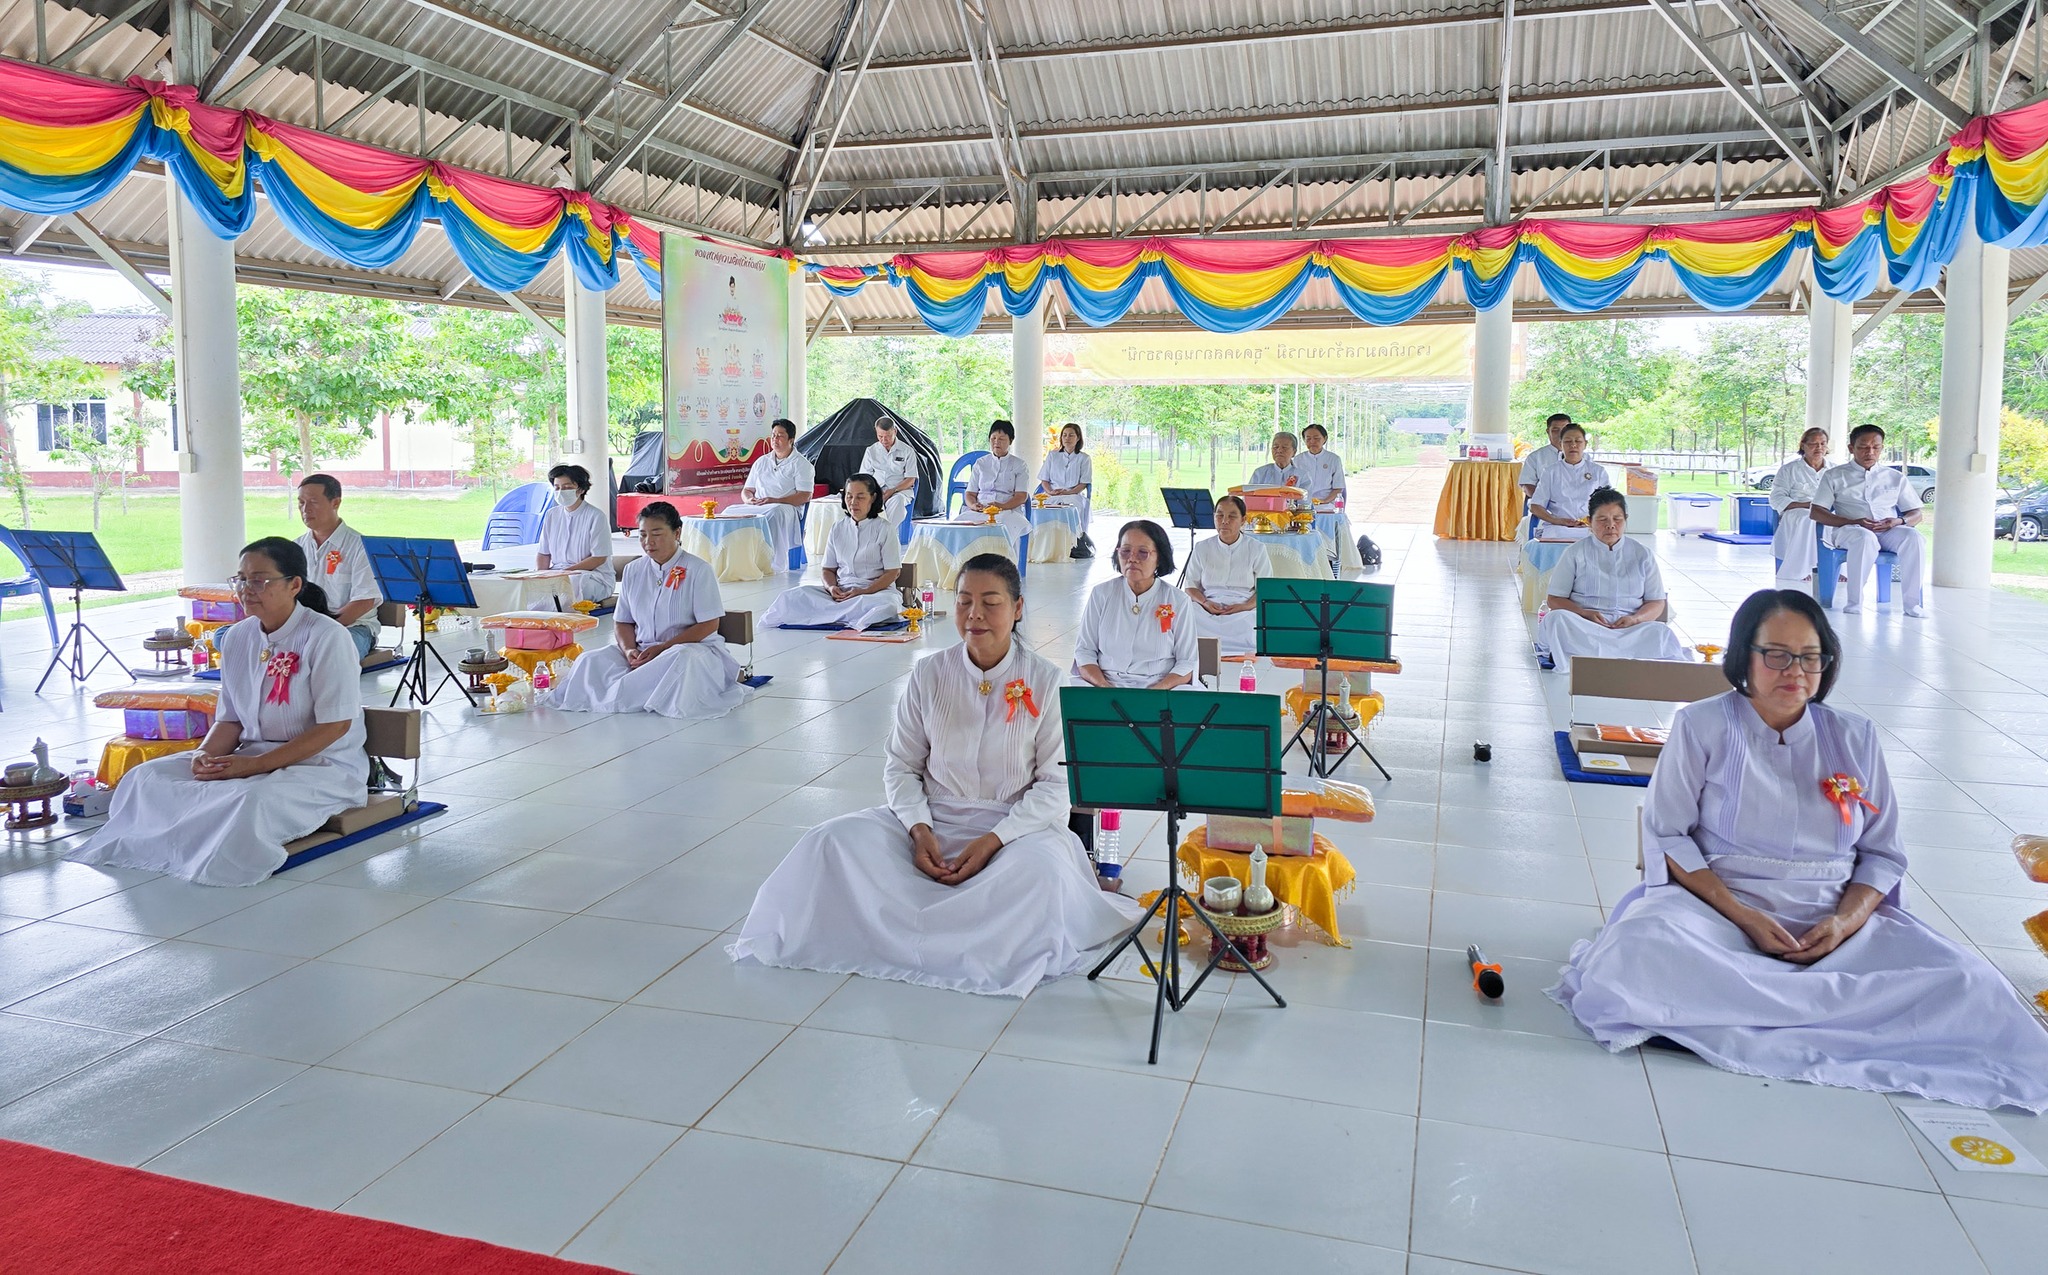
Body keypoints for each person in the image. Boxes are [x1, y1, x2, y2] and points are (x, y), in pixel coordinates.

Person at [1550, 590, 2048, 1112]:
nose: (1795, 671)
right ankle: (1829, 1015)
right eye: (1777, 654)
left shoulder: (1855, 737)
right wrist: (1743, 916)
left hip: (1831, 912)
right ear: (1744, 656)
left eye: (1810, 657)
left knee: (1969, 981)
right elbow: (1669, 834)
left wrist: (1842, 924)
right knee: (1637, 950)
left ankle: (1743, 1010)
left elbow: (1882, 855)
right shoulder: (1702, 725)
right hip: (1718, 908)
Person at [731, 554, 1143, 997]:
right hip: (931, 818)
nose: (975, 615)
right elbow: (902, 765)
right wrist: (919, 829)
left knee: (1041, 875)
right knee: (828, 842)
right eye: (964, 601)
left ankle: (952, 942)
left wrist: (993, 841)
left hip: (1016, 831)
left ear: (1018, 608)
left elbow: (1055, 786)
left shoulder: (1044, 680)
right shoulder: (929, 672)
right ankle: (902, 939)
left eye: (991, 602)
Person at [70, 538, 368, 887]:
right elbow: (230, 719)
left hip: (321, 766)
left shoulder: (327, 637)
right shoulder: (239, 637)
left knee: (248, 799)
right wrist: (205, 755)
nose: (246, 589)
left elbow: (334, 727)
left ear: (295, 585)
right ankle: (165, 854)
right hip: (251, 755)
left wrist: (254, 767)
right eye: (240, 579)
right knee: (144, 778)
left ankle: (208, 860)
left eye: (260, 580)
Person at [555, 502, 746, 720]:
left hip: (691, 650)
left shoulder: (698, 569)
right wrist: (629, 651)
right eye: (643, 535)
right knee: (590, 660)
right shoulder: (634, 570)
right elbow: (623, 621)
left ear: (677, 533)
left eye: (657, 534)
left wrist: (663, 648)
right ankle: (627, 694)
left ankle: (625, 695)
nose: (648, 542)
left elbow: (709, 624)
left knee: (678, 660)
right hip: (643, 649)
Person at [1535, 488, 1686, 670]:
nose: (1611, 525)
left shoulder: (1642, 554)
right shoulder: (1575, 552)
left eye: (1617, 519)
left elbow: (1656, 602)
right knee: (1557, 620)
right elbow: (1555, 599)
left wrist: (1635, 619)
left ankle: (1594, 657)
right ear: (1589, 522)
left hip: (1629, 629)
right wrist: (1585, 614)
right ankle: (1599, 660)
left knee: (1660, 633)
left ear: (1626, 520)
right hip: (1585, 626)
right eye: (1602, 520)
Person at [1809, 424, 1926, 617]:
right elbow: (1817, 512)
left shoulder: (1895, 477)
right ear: (1851, 448)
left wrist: (1897, 522)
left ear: (1882, 448)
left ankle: (1912, 604)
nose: (1870, 452)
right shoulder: (1834, 475)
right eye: (1863, 447)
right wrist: (1852, 521)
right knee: (1865, 538)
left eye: (1876, 447)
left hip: (1888, 530)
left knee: (1914, 538)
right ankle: (1854, 602)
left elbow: (1916, 514)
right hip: (1849, 530)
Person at [761, 475, 903, 631]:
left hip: (874, 593)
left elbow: (893, 572)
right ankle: (846, 617)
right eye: (849, 496)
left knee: (887, 607)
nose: (853, 502)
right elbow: (828, 569)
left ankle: (833, 616)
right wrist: (831, 588)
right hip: (842, 591)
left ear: (873, 498)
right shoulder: (838, 528)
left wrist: (864, 591)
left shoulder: (885, 528)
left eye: (860, 497)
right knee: (790, 597)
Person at [1074, 520, 1198, 690]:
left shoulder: (1179, 600)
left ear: (1159, 557)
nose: (1132, 559)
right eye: (1125, 551)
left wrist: (1157, 690)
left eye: (1142, 553)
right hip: (1106, 683)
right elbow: (1084, 651)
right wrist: (1104, 686)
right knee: (1066, 693)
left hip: (1159, 686)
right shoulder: (1101, 593)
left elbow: (1187, 662)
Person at [293, 473, 383, 660]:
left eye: (313, 502)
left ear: (336, 503)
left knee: (334, 652)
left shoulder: (361, 546)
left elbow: (363, 602)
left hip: (352, 628)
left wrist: (320, 631)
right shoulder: (295, 548)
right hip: (302, 627)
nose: (305, 509)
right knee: (225, 636)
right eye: (301, 503)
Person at [1182, 494, 1272, 656]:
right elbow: (1190, 587)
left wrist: (1243, 606)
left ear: (1243, 520)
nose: (1224, 521)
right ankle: (1202, 652)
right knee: (1190, 616)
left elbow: (1265, 589)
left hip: (1243, 607)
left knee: (1249, 624)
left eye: (1232, 516)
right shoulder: (1202, 547)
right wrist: (1206, 603)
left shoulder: (1257, 548)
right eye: (1220, 515)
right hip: (1208, 605)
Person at [738, 418, 814, 569]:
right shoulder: (762, 461)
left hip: (786, 507)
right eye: (773, 435)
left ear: (791, 440)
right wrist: (749, 500)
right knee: (731, 512)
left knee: (774, 513)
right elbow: (747, 490)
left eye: (780, 436)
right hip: (759, 505)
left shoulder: (802, 464)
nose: (775, 439)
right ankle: (741, 560)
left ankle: (768, 562)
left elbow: (805, 495)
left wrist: (775, 500)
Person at [536, 463, 616, 604]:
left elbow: (599, 558)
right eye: (557, 487)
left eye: (567, 487)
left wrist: (565, 573)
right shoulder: (551, 515)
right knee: (530, 587)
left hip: (593, 577)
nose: (561, 491)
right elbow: (543, 553)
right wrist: (540, 575)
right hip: (557, 574)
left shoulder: (596, 516)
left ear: (581, 489)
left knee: (572, 584)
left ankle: (566, 623)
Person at [1769, 427, 1830, 585]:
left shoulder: (1835, 470)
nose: (1819, 448)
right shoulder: (1789, 470)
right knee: (1808, 518)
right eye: (1814, 444)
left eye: (1823, 443)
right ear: (1803, 445)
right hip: (1798, 511)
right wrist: (1806, 505)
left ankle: (1837, 568)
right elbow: (1776, 498)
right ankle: (1801, 568)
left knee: (1841, 521)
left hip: (1829, 511)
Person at [1528, 423, 1610, 540]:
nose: (1573, 445)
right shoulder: (1550, 472)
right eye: (1567, 441)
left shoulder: (1598, 471)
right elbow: (1535, 506)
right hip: (1558, 527)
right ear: (1560, 445)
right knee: (1556, 537)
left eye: (1578, 441)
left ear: (1585, 444)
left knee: (1597, 538)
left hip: (1591, 526)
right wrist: (1558, 520)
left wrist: (1594, 520)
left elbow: (1609, 503)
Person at [962, 419, 1031, 545]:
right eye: (993, 438)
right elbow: (970, 494)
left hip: (1007, 511)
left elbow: (1021, 496)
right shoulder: (981, 463)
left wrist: (1001, 506)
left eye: (1001, 439)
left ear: (1010, 441)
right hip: (981, 509)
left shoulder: (1019, 465)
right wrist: (973, 506)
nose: (996, 442)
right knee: (961, 526)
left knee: (1001, 529)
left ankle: (1001, 563)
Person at [1035, 421, 1095, 558]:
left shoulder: (1084, 458)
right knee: (1040, 507)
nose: (1067, 438)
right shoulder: (1053, 456)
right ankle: (1044, 545)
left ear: (1078, 438)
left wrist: (1068, 492)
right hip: (1052, 493)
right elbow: (1044, 480)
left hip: (1073, 494)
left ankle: (1072, 545)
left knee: (1074, 507)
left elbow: (1084, 483)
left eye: (1071, 435)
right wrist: (1050, 491)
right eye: (1064, 435)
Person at [860, 415, 920, 530]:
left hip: (899, 491)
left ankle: (886, 533)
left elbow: (911, 479)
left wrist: (892, 491)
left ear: (895, 432)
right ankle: (874, 534)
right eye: (880, 436)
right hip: (876, 490)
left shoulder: (907, 451)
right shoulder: (871, 451)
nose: (884, 440)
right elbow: (864, 477)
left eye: (888, 436)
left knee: (897, 502)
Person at [1519, 413, 1571, 499]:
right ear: (1548, 432)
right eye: (1555, 430)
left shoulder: (1583, 457)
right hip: (1543, 506)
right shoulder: (1535, 457)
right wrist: (1545, 500)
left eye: (1565, 429)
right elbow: (1527, 485)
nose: (1561, 434)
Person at [1292, 423, 1346, 507]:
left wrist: (1324, 501)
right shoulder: (1297, 460)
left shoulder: (1334, 459)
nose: (1312, 442)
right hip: (1302, 503)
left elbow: (1338, 488)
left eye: (1316, 438)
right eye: (1308, 439)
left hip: (1327, 503)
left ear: (1325, 439)